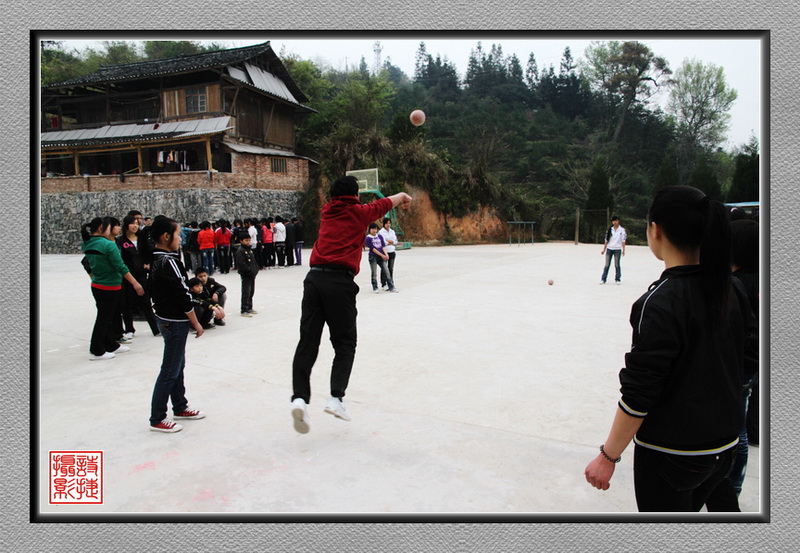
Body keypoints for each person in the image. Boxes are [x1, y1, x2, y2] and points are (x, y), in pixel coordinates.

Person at [584, 186, 757, 512]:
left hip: (673, 457)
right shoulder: (730, 287)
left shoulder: (659, 302)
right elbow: (745, 357)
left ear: (656, 230)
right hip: (724, 447)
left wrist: (608, 456)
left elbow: (639, 392)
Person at [290, 176, 412, 434]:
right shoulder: (359, 213)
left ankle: (299, 398)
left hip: (313, 280)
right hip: (339, 283)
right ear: (355, 196)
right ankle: (335, 398)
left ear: (332, 197)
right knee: (345, 344)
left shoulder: (327, 213)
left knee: (308, 341)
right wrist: (402, 194)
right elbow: (385, 203)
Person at [148, 215, 206, 433]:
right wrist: (196, 323)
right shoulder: (168, 262)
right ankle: (157, 418)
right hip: (174, 321)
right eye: (178, 234)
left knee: (177, 365)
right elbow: (183, 295)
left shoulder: (156, 258)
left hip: (166, 318)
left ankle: (180, 406)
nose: (181, 239)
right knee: (170, 370)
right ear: (166, 236)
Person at [81, 216, 145, 361]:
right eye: (109, 227)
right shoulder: (108, 245)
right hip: (110, 286)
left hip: (97, 285)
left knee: (107, 317)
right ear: (101, 228)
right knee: (104, 319)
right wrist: (135, 283)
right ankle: (96, 349)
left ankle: (111, 344)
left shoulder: (88, 243)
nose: (110, 230)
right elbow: (120, 266)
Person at [116, 214, 159, 337]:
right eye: (133, 223)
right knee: (127, 303)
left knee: (145, 302)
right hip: (127, 276)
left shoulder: (142, 238)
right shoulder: (120, 241)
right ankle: (129, 329)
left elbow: (149, 252)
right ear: (126, 225)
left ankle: (156, 328)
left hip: (141, 275)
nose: (135, 226)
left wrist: (148, 263)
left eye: (137, 224)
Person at [366, 222, 398, 293]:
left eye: (375, 229)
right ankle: (375, 287)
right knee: (374, 273)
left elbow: (383, 246)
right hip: (373, 256)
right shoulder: (368, 238)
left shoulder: (379, 236)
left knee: (386, 271)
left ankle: (391, 286)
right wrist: (382, 255)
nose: (374, 231)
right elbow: (373, 249)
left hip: (382, 256)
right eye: (373, 229)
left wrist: (386, 254)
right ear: (370, 230)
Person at [234, 233, 259, 317]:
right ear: (241, 241)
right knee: (246, 291)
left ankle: (249, 306)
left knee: (251, 291)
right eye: (246, 240)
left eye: (249, 240)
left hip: (252, 274)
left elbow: (253, 261)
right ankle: (244, 309)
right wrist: (248, 270)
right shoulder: (240, 250)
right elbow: (241, 264)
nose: (248, 242)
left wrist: (255, 269)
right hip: (246, 274)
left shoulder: (249, 249)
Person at [600, 215, 626, 284]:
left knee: (617, 265)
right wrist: (604, 249)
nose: (615, 222)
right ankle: (603, 279)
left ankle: (618, 279)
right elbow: (606, 240)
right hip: (609, 248)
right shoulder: (609, 230)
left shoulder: (622, 230)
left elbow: (623, 240)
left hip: (617, 249)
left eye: (616, 220)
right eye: (613, 221)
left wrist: (623, 250)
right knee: (607, 265)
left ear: (618, 221)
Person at [378, 217, 398, 290]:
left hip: (392, 251)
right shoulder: (381, 232)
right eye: (387, 223)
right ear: (384, 224)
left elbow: (395, 241)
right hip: (384, 252)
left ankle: (390, 282)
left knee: (390, 268)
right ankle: (384, 284)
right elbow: (382, 242)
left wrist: (389, 241)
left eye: (389, 223)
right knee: (384, 268)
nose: (388, 225)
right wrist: (388, 242)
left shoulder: (392, 231)